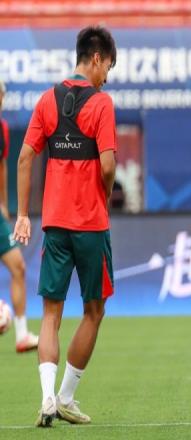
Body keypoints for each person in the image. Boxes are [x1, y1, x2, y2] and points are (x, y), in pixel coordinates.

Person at [13, 26, 117, 428]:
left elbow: (25, 158)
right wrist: (103, 194)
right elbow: (107, 165)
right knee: (94, 310)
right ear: (96, 58)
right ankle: (66, 397)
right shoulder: (102, 104)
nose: (106, 77)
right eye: (107, 67)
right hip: (91, 223)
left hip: (54, 224)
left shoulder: (47, 100)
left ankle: (46, 398)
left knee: (50, 314)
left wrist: (24, 214)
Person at [0, 80, 39, 353]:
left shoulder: (2, 128)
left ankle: (22, 334)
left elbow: (2, 167)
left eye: (1, 94)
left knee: (18, 267)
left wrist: (3, 203)